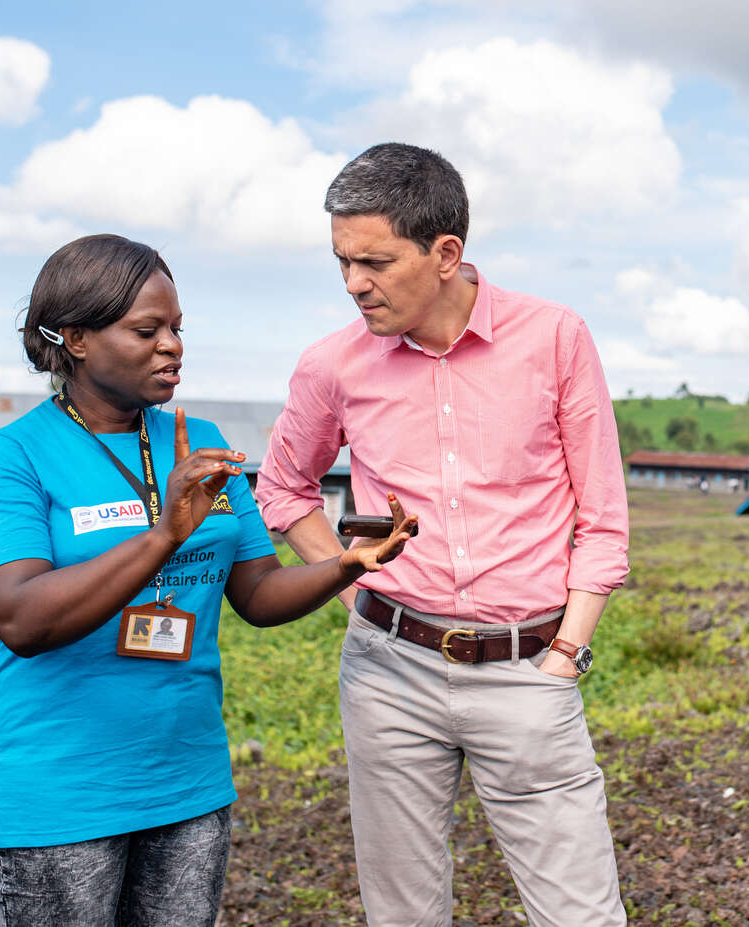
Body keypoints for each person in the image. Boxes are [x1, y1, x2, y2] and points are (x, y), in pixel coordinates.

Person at [0, 234, 414, 927]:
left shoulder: (197, 444)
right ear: (75, 338)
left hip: (187, 783)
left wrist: (343, 566)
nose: (172, 345)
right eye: (147, 330)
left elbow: (257, 593)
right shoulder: (12, 457)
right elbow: (22, 619)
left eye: (176, 328)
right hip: (60, 794)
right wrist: (164, 532)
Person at [255, 143, 629, 926]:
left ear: (446, 253)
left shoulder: (555, 338)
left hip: (531, 667)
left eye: (376, 262)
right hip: (388, 672)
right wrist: (352, 576)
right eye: (343, 263)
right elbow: (283, 489)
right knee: (402, 915)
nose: (355, 283)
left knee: (580, 914)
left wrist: (567, 652)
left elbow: (602, 516)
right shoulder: (331, 365)